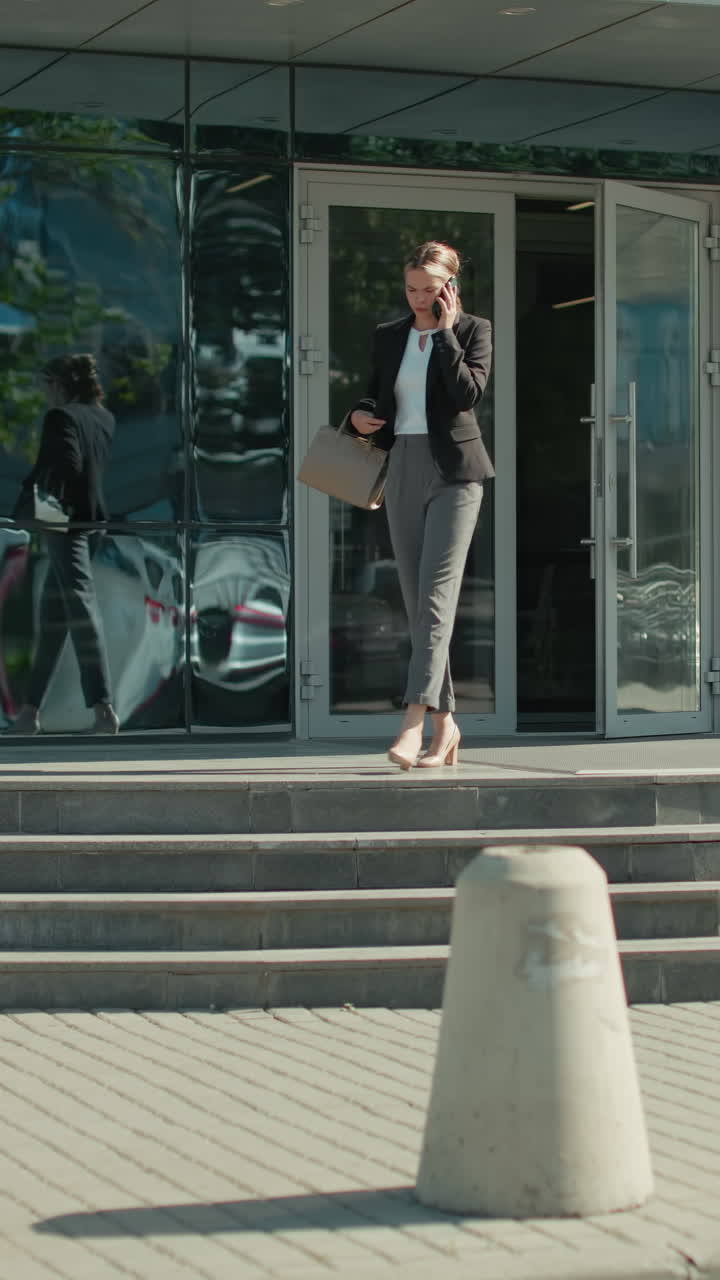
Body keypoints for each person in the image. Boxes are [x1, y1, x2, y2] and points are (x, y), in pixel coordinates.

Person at [350, 241, 493, 769]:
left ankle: (412, 723)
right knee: (418, 606)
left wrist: (447, 333)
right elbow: (376, 398)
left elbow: (466, 395)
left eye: (429, 290)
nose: (418, 299)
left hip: (456, 474)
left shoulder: (473, 331)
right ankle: (447, 726)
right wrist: (360, 417)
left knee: (435, 600)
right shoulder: (389, 337)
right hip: (402, 467)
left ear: (450, 287)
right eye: (412, 289)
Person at [9, 353, 119, 735]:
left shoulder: (61, 418)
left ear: (59, 383)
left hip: (64, 522)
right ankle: (29, 714)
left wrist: (33, 490)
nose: (41, 392)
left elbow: (66, 465)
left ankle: (104, 709)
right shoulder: (104, 417)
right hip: (93, 520)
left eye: (44, 383)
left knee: (80, 608)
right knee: (54, 618)